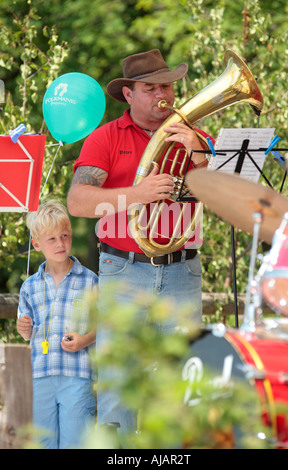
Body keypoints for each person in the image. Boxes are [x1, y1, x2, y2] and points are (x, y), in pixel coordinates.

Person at [67, 49, 214, 435]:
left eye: (167, 85)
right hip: (124, 270)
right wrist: (136, 194)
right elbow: (78, 202)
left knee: (186, 382)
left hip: (183, 269)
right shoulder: (104, 139)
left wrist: (202, 159)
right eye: (150, 87)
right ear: (129, 95)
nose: (162, 94)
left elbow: (235, 200)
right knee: (118, 386)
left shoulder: (196, 138)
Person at [17, 199, 98, 449]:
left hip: (78, 376)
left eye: (64, 235)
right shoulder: (29, 286)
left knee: (76, 441)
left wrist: (84, 340)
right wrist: (24, 328)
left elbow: (104, 325)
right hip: (40, 375)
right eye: (51, 239)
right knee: (42, 442)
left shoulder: (90, 280)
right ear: (36, 244)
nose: (60, 243)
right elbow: (25, 332)